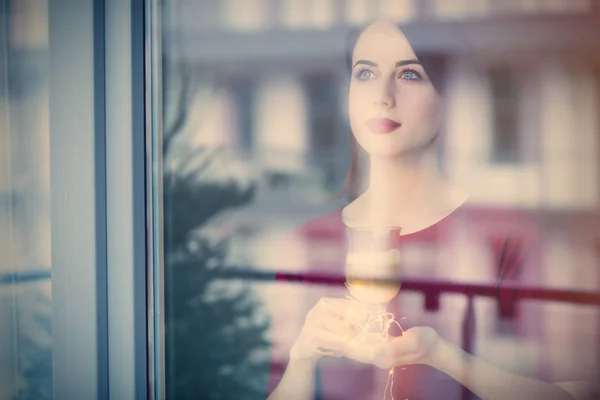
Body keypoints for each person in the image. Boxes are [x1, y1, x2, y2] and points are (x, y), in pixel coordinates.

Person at [265, 19, 594, 400]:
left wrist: (446, 358)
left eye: (409, 75)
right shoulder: (311, 233)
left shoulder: (509, 233)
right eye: (366, 73)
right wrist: (303, 357)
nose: (383, 97)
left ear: (447, 97)